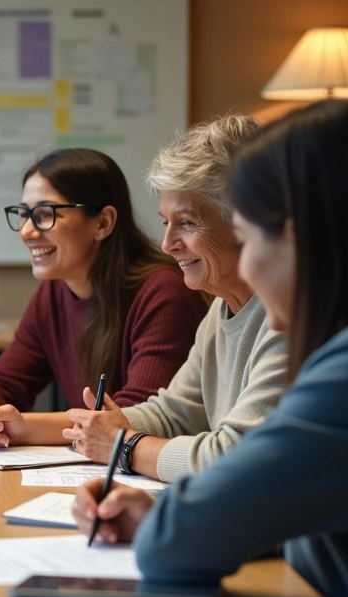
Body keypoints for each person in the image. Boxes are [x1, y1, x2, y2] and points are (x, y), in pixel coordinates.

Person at [72, 100, 348, 597]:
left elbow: (176, 543)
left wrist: (169, 516)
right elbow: (308, 502)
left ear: (299, 237)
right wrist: (166, 514)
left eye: (250, 236)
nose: (245, 264)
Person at [63, 116, 288, 481]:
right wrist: (100, 427)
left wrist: (123, 445)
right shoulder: (221, 306)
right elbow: (174, 413)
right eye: (166, 222)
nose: (167, 245)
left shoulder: (290, 315)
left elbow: (235, 459)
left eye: (186, 222)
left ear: (246, 221)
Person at [0, 149, 207, 448]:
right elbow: (2, 384)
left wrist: (26, 426)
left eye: (45, 215)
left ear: (102, 223)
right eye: (23, 214)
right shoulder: (52, 293)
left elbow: (136, 417)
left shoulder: (164, 292)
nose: (27, 231)